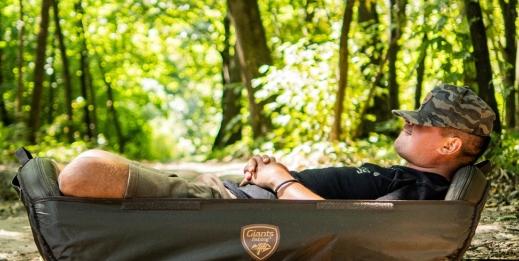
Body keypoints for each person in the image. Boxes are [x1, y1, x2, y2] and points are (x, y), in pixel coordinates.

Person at [58, 83, 495, 201]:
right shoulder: (407, 177)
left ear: (449, 146)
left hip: (228, 207)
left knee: (84, 171)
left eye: (422, 123)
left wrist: (279, 180)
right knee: (89, 169)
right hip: (236, 194)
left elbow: (347, 228)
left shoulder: (422, 191)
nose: (408, 122)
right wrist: (269, 173)